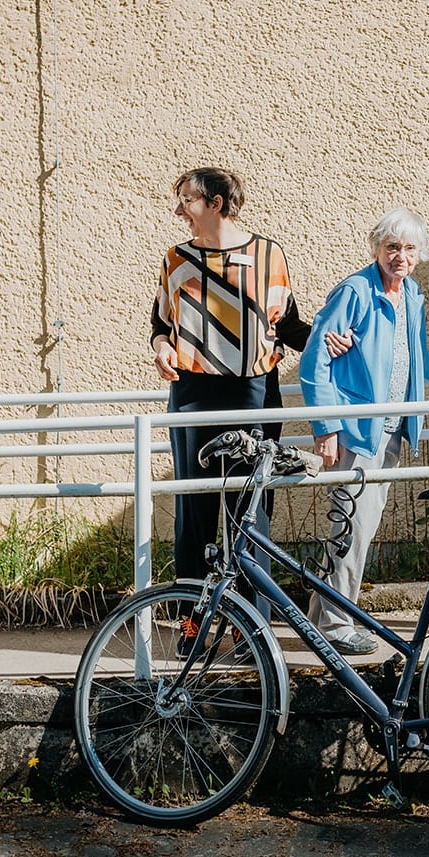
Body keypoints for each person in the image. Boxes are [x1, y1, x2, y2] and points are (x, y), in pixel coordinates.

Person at [150, 167, 317, 598]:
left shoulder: (268, 256)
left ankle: (251, 631)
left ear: (216, 203)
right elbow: (160, 324)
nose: (179, 210)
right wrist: (162, 347)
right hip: (193, 395)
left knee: (251, 511)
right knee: (194, 510)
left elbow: (289, 325)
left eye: (187, 200)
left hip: (256, 394)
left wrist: (330, 341)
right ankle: (192, 626)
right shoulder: (176, 259)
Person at [301, 208, 429, 655]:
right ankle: (334, 628)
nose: (400, 257)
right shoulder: (354, 292)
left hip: (390, 432)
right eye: (392, 247)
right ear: (376, 248)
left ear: (419, 254)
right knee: (351, 530)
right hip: (355, 431)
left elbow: (415, 351)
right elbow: (315, 361)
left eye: (409, 249)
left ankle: (320, 619)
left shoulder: (411, 294)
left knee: (355, 529)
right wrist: (326, 426)